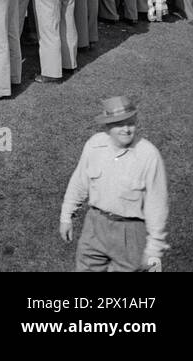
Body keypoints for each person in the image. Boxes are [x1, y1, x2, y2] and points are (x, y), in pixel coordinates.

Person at [60, 96, 168, 272]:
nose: (126, 129)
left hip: (131, 232)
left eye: (130, 123)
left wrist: (154, 249)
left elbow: (157, 206)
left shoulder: (148, 155)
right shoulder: (94, 145)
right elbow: (79, 182)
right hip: (94, 225)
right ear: (107, 126)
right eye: (119, 124)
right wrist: (66, 217)